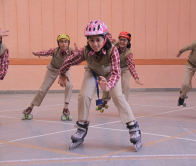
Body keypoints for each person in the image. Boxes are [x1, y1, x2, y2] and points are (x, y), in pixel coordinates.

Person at [58, 20, 143, 151]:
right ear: (88, 41)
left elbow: (115, 72)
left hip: (110, 74)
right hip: (92, 72)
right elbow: (70, 60)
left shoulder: (113, 50)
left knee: (118, 96)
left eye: (98, 39)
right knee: (84, 95)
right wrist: (62, 72)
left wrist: (108, 86)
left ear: (104, 38)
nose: (95, 44)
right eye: (91, 40)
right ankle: (81, 126)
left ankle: (133, 125)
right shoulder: (85, 51)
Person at [22, 34, 74, 121]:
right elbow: (46, 52)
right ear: (58, 43)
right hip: (53, 69)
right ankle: (30, 107)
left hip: (64, 70)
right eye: (61, 41)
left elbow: (79, 56)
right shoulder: (55, 51)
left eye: (66, 41)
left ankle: (66, 108)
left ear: (68, 43)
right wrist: (37, 53)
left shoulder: (71, 51)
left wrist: (77, 52)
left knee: (70, 85)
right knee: (43, 89)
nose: (64, 43)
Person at [96, 32, 143, 113]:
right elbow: (108, 36)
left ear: (128, 42)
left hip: (125, 69)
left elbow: (131, 65)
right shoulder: (114, 44)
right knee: (107, 81)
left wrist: (136, 77)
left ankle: (124, 105)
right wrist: (103, 31)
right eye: (120, 39)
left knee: (125, 85)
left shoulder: (128, 53)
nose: (122, 41)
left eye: (124, 40)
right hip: (115, 67)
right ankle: (105, 100)